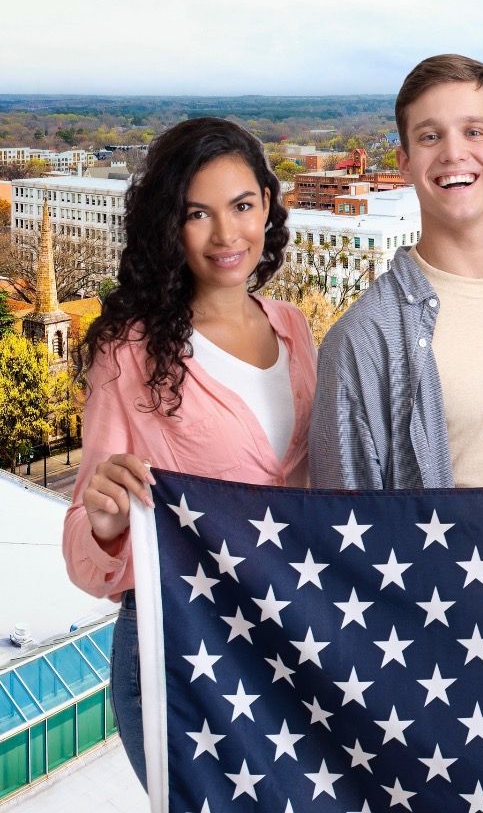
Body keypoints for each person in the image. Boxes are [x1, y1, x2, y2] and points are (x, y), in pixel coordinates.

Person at [62, 118, 318, 787]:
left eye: (241, 206)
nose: (226, 235)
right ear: (169, 227)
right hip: (179, 648)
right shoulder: (131, 350)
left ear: (267, 202)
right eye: (196, 214)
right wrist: (106, 521)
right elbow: (85, 550)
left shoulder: (293, 329)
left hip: (282, 643)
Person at [309, 54, 483, 491]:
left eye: (473, 131)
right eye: (430, 136)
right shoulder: (361, 341)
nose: (453, 152)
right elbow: (346, 530)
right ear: (404, 162)